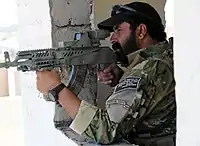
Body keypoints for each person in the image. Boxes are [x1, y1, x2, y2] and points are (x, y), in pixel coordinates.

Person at [36, 2, 176, 146]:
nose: (112, 38)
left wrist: (57, 88)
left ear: (141, 31)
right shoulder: (164, 58)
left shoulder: (150, 69)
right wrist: (124, 76)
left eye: (118, 30)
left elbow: (105, 131)